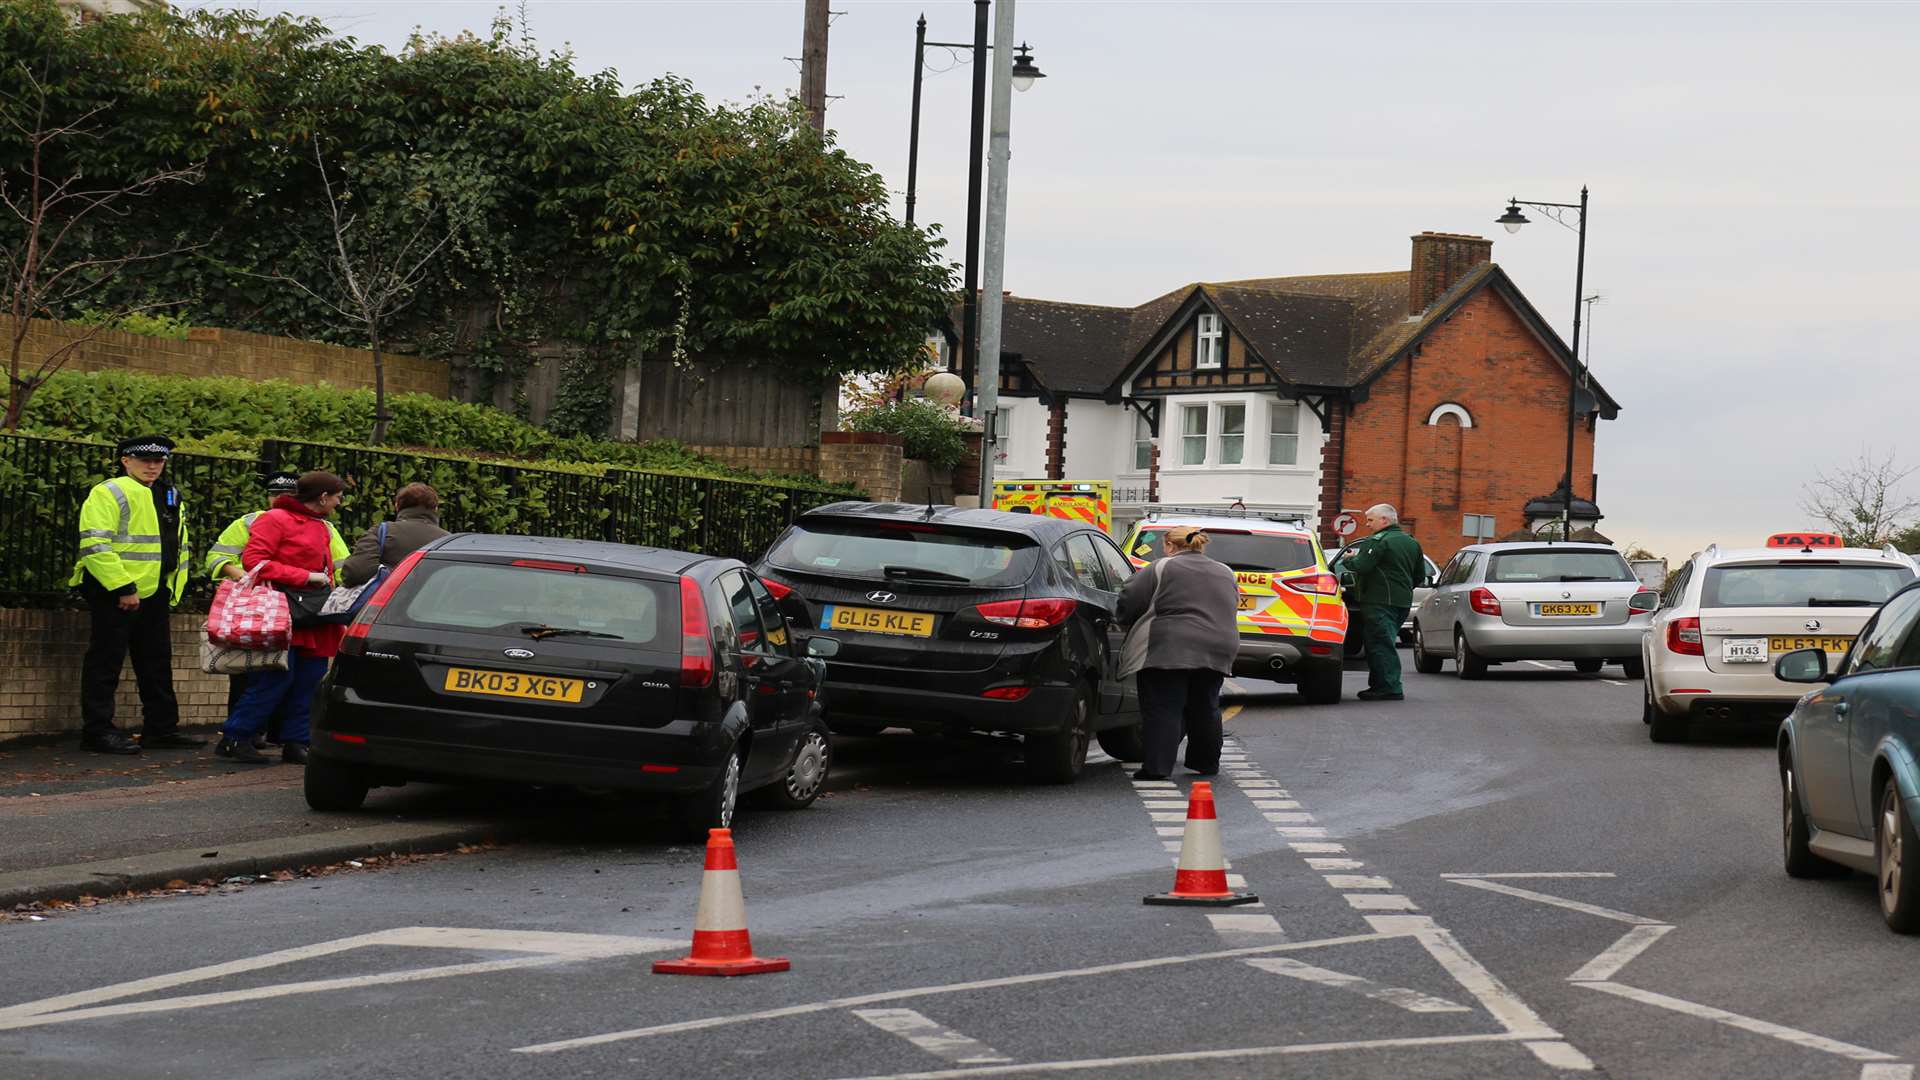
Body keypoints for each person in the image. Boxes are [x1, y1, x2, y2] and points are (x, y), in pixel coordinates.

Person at [71, 435, 204, 755]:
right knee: (106, 662)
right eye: (145, 460)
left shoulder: (169, 493)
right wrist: (122, 588)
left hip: (155, 590)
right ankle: (97, 732)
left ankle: (161, 729)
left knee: (156, 662)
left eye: (159, 461)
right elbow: (95, 544)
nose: (153, 466)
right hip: (115, 590)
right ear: (125, 461)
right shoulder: (110, 491)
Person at [206, 470, 349, 749]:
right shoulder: (274, 519)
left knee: (308, 681)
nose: (338, 504)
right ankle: (237, 737)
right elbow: (255, 561)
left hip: (313, 613)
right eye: (337, 497)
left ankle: (296, 741)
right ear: (322, 497)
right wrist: (305, 577)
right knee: (275, 679)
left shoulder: (321, 526)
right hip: (281, 610)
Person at [1117, 525, 1240, 780]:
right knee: (1206, 705)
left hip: (1168, 646)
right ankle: (1205, 763)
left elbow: (1130, 600)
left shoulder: (1161, 567)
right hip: (1217, 645)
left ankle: (1157, 768)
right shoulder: (1225, 571)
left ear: (1170, 546)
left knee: (1164, 707)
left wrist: (1123, 620)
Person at [1342, 503, 1426, 702]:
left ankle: (1389, 687)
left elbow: (1362, 567)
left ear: (1384, 520)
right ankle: (1380, 685)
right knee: (1385, 641)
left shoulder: (1378, 541)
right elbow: (1419, 575)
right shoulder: (1411, 542)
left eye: (1370, 520)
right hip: (1402, 602)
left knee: (1380, 644)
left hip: (1378, 602)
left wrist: (1349, 559)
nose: (1367, 524)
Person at [340, 482, 448, 588]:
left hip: (390, 602)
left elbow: (355, 572)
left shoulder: (382, 531)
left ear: (397, 506)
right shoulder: (449, 540)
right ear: (435, 508)